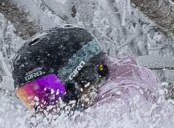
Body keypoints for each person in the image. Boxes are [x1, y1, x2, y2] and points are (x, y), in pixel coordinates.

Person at [10, 27, 164, 117]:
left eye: (48, 93)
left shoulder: (127, 97)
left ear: (83, 77)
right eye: (30, 98)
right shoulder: (79, 108)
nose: (43, 108)